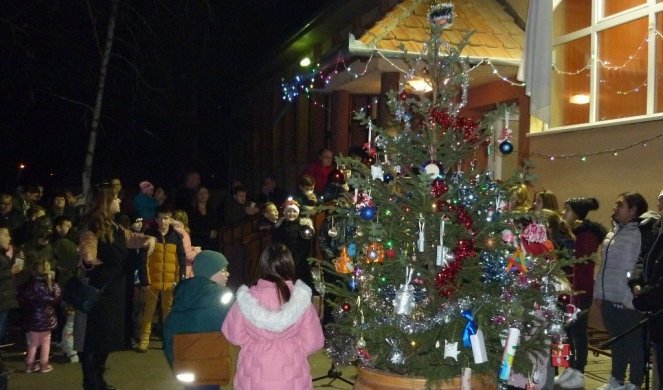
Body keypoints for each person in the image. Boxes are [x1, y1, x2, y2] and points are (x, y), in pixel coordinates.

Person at [75, 183, 156, 390]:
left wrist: (149, 239)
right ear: (105, 202)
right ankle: (91, 382)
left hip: (114, 292)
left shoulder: (114, 227)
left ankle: (99, 379)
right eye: (116, 198)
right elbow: (87, 246)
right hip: (98, 290)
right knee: (93, 338)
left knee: (106, 338)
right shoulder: (92, 226)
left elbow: (132, 239)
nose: (119, 201)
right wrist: (88, 258)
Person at [221, 243, 324, 390]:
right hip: (291, 372)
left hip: (254, 369)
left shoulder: (247, 299)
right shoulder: (301, 300)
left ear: (262, 266)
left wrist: (253, 342)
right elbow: (313, 342)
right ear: (289, 266)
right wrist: (293, 347)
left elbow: (234, 335)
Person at [594, 192, 648, 390]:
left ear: (633, 210)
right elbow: (603, 266)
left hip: (627, 299)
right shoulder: (612, 233)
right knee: (616, 341)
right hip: (608, 297)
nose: (615, 208)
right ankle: (616, 379)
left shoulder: (639, 234)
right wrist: (599, 292)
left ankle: (634, 383)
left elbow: (637, 267)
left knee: (633, 344)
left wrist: (630, 297)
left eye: (620, 205)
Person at [554, 197, 607, 389]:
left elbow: (581, 266)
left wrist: (575, 291)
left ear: (577, 213)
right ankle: (567, 367)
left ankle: (579, 371)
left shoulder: (586, 235)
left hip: (579, 291)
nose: (563, 213)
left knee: (578, 333)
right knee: (564, 332)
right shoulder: (567, 234)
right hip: (566, 291)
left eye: (567, 210)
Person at [163, 250, 233, 390]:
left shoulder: (181, 295)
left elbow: (168, 335)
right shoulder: (224, 297)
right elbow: (236, 330)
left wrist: (177, 363)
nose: (227, 274)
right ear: (210, 272)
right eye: (223, 270)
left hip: (188, 370)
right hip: (212, 367)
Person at [136, 207, 186, 352]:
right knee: (149, 311)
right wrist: (144, 280)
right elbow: (143, 259)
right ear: (156, 220)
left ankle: (167, 339)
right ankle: (144, 339)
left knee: (168, 312)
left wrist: (180, 278)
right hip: (153, 280)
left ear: (170, 219)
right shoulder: (149, 235)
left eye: (166, 218)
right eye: (160, 218)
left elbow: (181, 260)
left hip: (170, 281)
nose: (163, 221)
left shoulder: (176, 237)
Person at [629, 189, 663, 390]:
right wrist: (636, 283)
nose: (660, 206)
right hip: (654, 307)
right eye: (659, 202)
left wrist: (647, 296)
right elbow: (642, 259)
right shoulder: (655, 231)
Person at [17, 259, 61, 373]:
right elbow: (55, 299)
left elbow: (22, 300)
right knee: (46, 342)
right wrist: (53, 283)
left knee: (33, 343)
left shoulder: (28, 286)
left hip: (32, 318)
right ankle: (44, 364)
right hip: (46, 317)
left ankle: (29, 364)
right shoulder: (48, 286)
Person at [0, 227, 20, 375]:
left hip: (5, 299)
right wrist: (11, 272)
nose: (9, 238)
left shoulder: (4, 255)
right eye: (5, 235)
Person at [188, 186, 219, 250]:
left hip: (211, 243)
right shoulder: (191, 211)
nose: (203, 195)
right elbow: (191, 229)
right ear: (196, 195)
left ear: (208, 195)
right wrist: (207, 234)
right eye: (200, 193)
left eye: (205, 193)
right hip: (197, 243)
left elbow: (216, 224)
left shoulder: (212, 209)